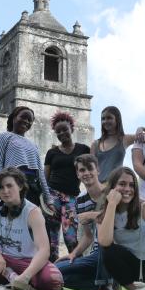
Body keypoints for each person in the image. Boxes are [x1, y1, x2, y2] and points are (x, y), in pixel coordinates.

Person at [55, 154, 113, 290]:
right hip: (95, 255)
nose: (86, 173)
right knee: (55, 270)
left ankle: (106, 287)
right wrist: (73, 254)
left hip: (114, 251)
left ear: (98, 170)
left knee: (104, 242)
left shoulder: (111, 193)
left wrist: (92, 215)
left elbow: (119, 221)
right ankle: (97, 285)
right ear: (77, 174)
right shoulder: (80, 200)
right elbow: (88, 236)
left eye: (90, 169)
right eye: (82, 170)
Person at [44, 111, 90, 261]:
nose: (62, 133)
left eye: (64, 129)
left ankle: (76, 268)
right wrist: (45, 199)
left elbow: (91, 169)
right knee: (51, 238)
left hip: (71, 198)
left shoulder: (83, 149)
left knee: (71, 236)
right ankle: (52, 273)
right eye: (58, 131)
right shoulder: (52, 152)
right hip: (53, 195)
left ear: (72, 128)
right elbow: (45, 177)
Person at [0, 106, 53, 208]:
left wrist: (48, 199)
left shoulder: (34, 145)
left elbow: (40, 173)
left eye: (29, 120)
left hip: (33, 189)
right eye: (23, 117)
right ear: (14, 118)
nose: (26, 121)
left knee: (29, 220)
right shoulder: (4, 137)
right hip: (12, 184)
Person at [90, 106, 140, 182]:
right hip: (99, 188)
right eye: (103, 119)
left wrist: (141, 128)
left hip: (116, 187)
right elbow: (90, 169)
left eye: (109, 118)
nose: (105, 121)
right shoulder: (95, 144)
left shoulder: (125, 139)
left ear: (117, 119)